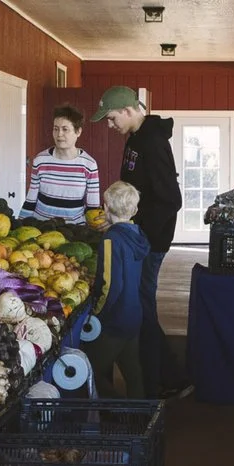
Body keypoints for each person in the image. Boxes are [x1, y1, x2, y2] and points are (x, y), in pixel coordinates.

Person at [93, 87, 184, 394]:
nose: (110, 125)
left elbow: (171, 199)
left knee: (141, 308)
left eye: (112, 118)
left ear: (128, 111)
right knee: (141, 306)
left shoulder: (152, 142)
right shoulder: (135, 138)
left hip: (148, 242)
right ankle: (165, 376)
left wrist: (139, 234)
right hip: (136, 236)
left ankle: (160, 382)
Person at [83, 181, 151, 398]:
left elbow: (111, 284)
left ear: (105, 208)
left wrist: (96, 312)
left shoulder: (111, 240)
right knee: (133, 373)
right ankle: (139, 415)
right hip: (134, 313)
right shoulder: (138, 235)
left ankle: (112, 407)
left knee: (88, 370)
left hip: (115, 318)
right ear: (135, 210)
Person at [26, 105, 102, 224]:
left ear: (78, 132)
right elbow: (31, 199)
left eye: (65, 129)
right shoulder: (40, 160)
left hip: (75, 229)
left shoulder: (89, 165)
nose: (59, 134)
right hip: (42, 227)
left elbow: (93, 207)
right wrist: (21, 223)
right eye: (56, 129)